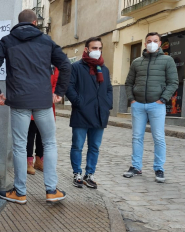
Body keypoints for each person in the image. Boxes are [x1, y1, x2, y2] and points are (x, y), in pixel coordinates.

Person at [0, 9, 71, 204]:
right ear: (35, 23)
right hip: (43, 102)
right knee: (49, 144)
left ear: (19, 23)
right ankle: (51, 190)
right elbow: (66, 65)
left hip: (19, 102)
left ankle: (20, 192)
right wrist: (59, 92)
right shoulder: (47, 41)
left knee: (19, 146)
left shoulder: (7, 40)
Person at [123, 32, 178, 183]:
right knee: (136, 137)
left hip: (156, 105)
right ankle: (136, 167)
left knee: (159, 137)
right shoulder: (136, 62)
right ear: (145, 43)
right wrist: (131, 99)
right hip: (138, 104)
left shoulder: (167, 60)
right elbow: (128, 83)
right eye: (149, 41)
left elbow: (173, 82)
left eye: (155, 41)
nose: (152, 43)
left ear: (160, 43)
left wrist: (163, 99)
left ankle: (159, 168)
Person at [65, 37, 113, 189]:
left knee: (94, 147)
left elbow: (109, 89)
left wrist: (107, 104)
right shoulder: (77, 67)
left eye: (99, 48)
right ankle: (77, 173)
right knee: (77, 145)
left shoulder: (103, 69)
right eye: (94, 48)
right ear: (86, 49)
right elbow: (69, 87)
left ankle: (89, 174)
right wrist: (79, 102)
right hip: (82, 113)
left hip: (99, 113)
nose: (97, 51)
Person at [27, 66, 59, 175]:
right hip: (33, 102)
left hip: (47, 104)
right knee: (30, 133)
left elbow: (56, 82)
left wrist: (52, 95)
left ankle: (39, 160)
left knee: (42, 134)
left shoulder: (54, 67)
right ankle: (28, 161)